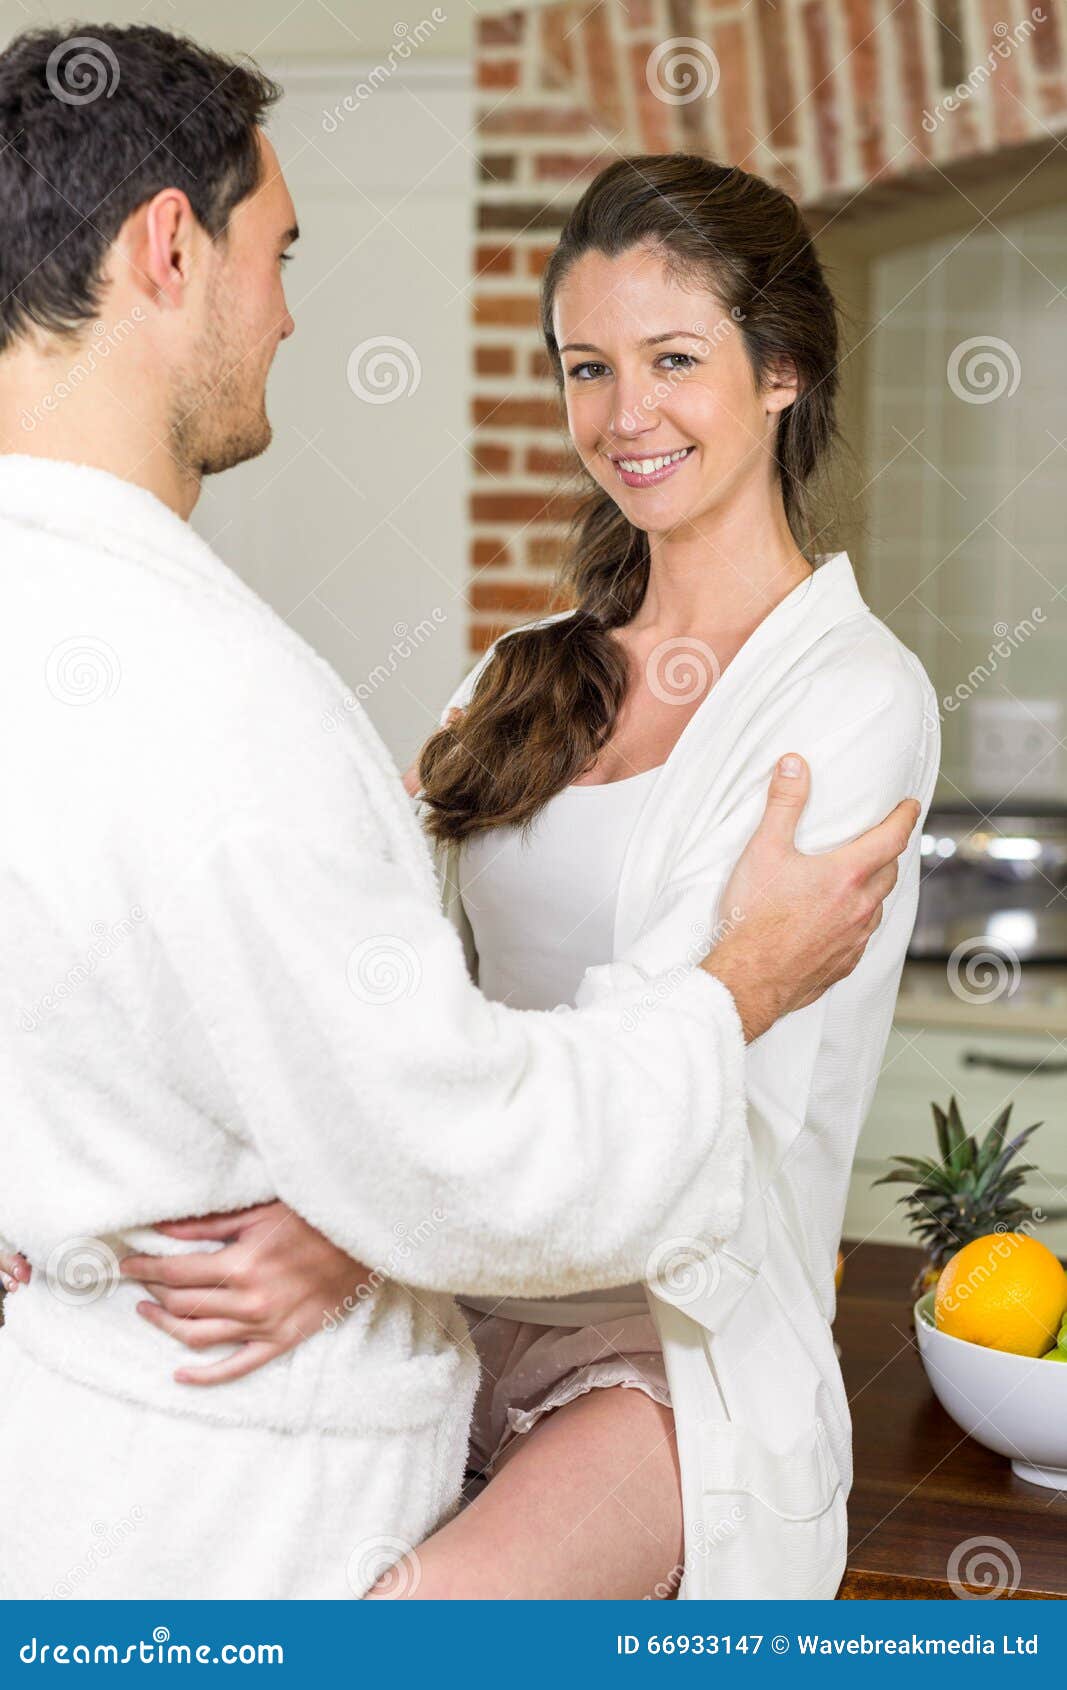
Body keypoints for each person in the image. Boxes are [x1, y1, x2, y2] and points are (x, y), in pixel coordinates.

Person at [0, 30, 914, 1601]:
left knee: (404, 1638)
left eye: (676, 358)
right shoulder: (518, 675)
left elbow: (709, 1087)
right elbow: (377, 1017)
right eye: (584, 365)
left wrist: (356, 1222)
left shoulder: (854, 693)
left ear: (786, 370)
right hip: (449, 1302)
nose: (624, 412)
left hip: (663, 1340)